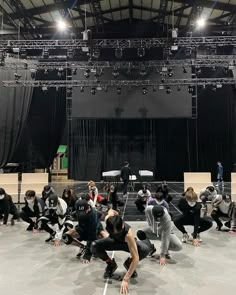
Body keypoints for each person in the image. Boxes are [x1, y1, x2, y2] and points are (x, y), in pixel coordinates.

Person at [91, 209, 155, 294]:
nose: (116, 233)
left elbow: (136, 258)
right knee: (94, 245)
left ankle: (129, 263)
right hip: (113, 242)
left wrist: (125, 279)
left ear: (122, 226)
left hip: (126, 243)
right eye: (113, 232)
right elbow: (111, 210)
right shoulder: (108, 219)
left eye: (118, 232)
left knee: (145, 250)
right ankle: (111, 264)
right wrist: (115, 213)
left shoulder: (128, 234)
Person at [63, 199, 107, 263]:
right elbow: (71, 215)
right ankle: (82, 247)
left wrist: (87, 255)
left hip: (95, 231)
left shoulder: (93, 215)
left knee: (104, 236)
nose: (81, 215)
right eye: (79, 212)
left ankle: (98, 248)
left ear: (88, 208)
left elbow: (91, 236)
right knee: (65, 237)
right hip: (83, 228)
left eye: (83, 212)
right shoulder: (78, 212)